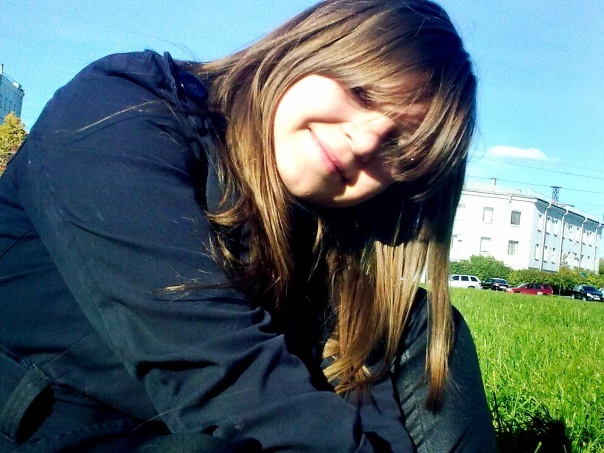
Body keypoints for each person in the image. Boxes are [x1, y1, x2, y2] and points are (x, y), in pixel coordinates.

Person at [0, 0, 496, 451]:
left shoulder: (319, 234)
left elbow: (369, 414)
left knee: (419, 321)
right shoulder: (121, 110)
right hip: (63, 426)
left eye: (396, 147)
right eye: (363, 93)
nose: (364, 143)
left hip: (200, 427)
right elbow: (217, 372)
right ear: (310, 50)